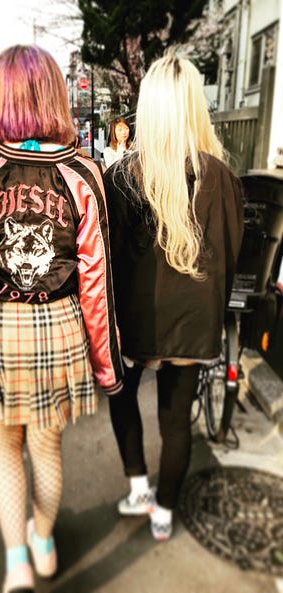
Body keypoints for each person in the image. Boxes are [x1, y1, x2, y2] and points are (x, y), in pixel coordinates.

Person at [0, 44, 123, 593]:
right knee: (46, 446)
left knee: (4, 446)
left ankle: (17, 562)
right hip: (61, 326)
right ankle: (43, 539)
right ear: (53, 95)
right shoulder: (83, 174)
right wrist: (107, 362)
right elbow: (96, 280)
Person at [103, 53, 244, 541]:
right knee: (177, 418)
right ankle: (164, 512)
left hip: (134, 318)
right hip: (193, 317)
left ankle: (139, 484)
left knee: (120, 397)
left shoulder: (122, 177)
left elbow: (109, 256)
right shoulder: (222, 177)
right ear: (195, 107)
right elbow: (230, 252)